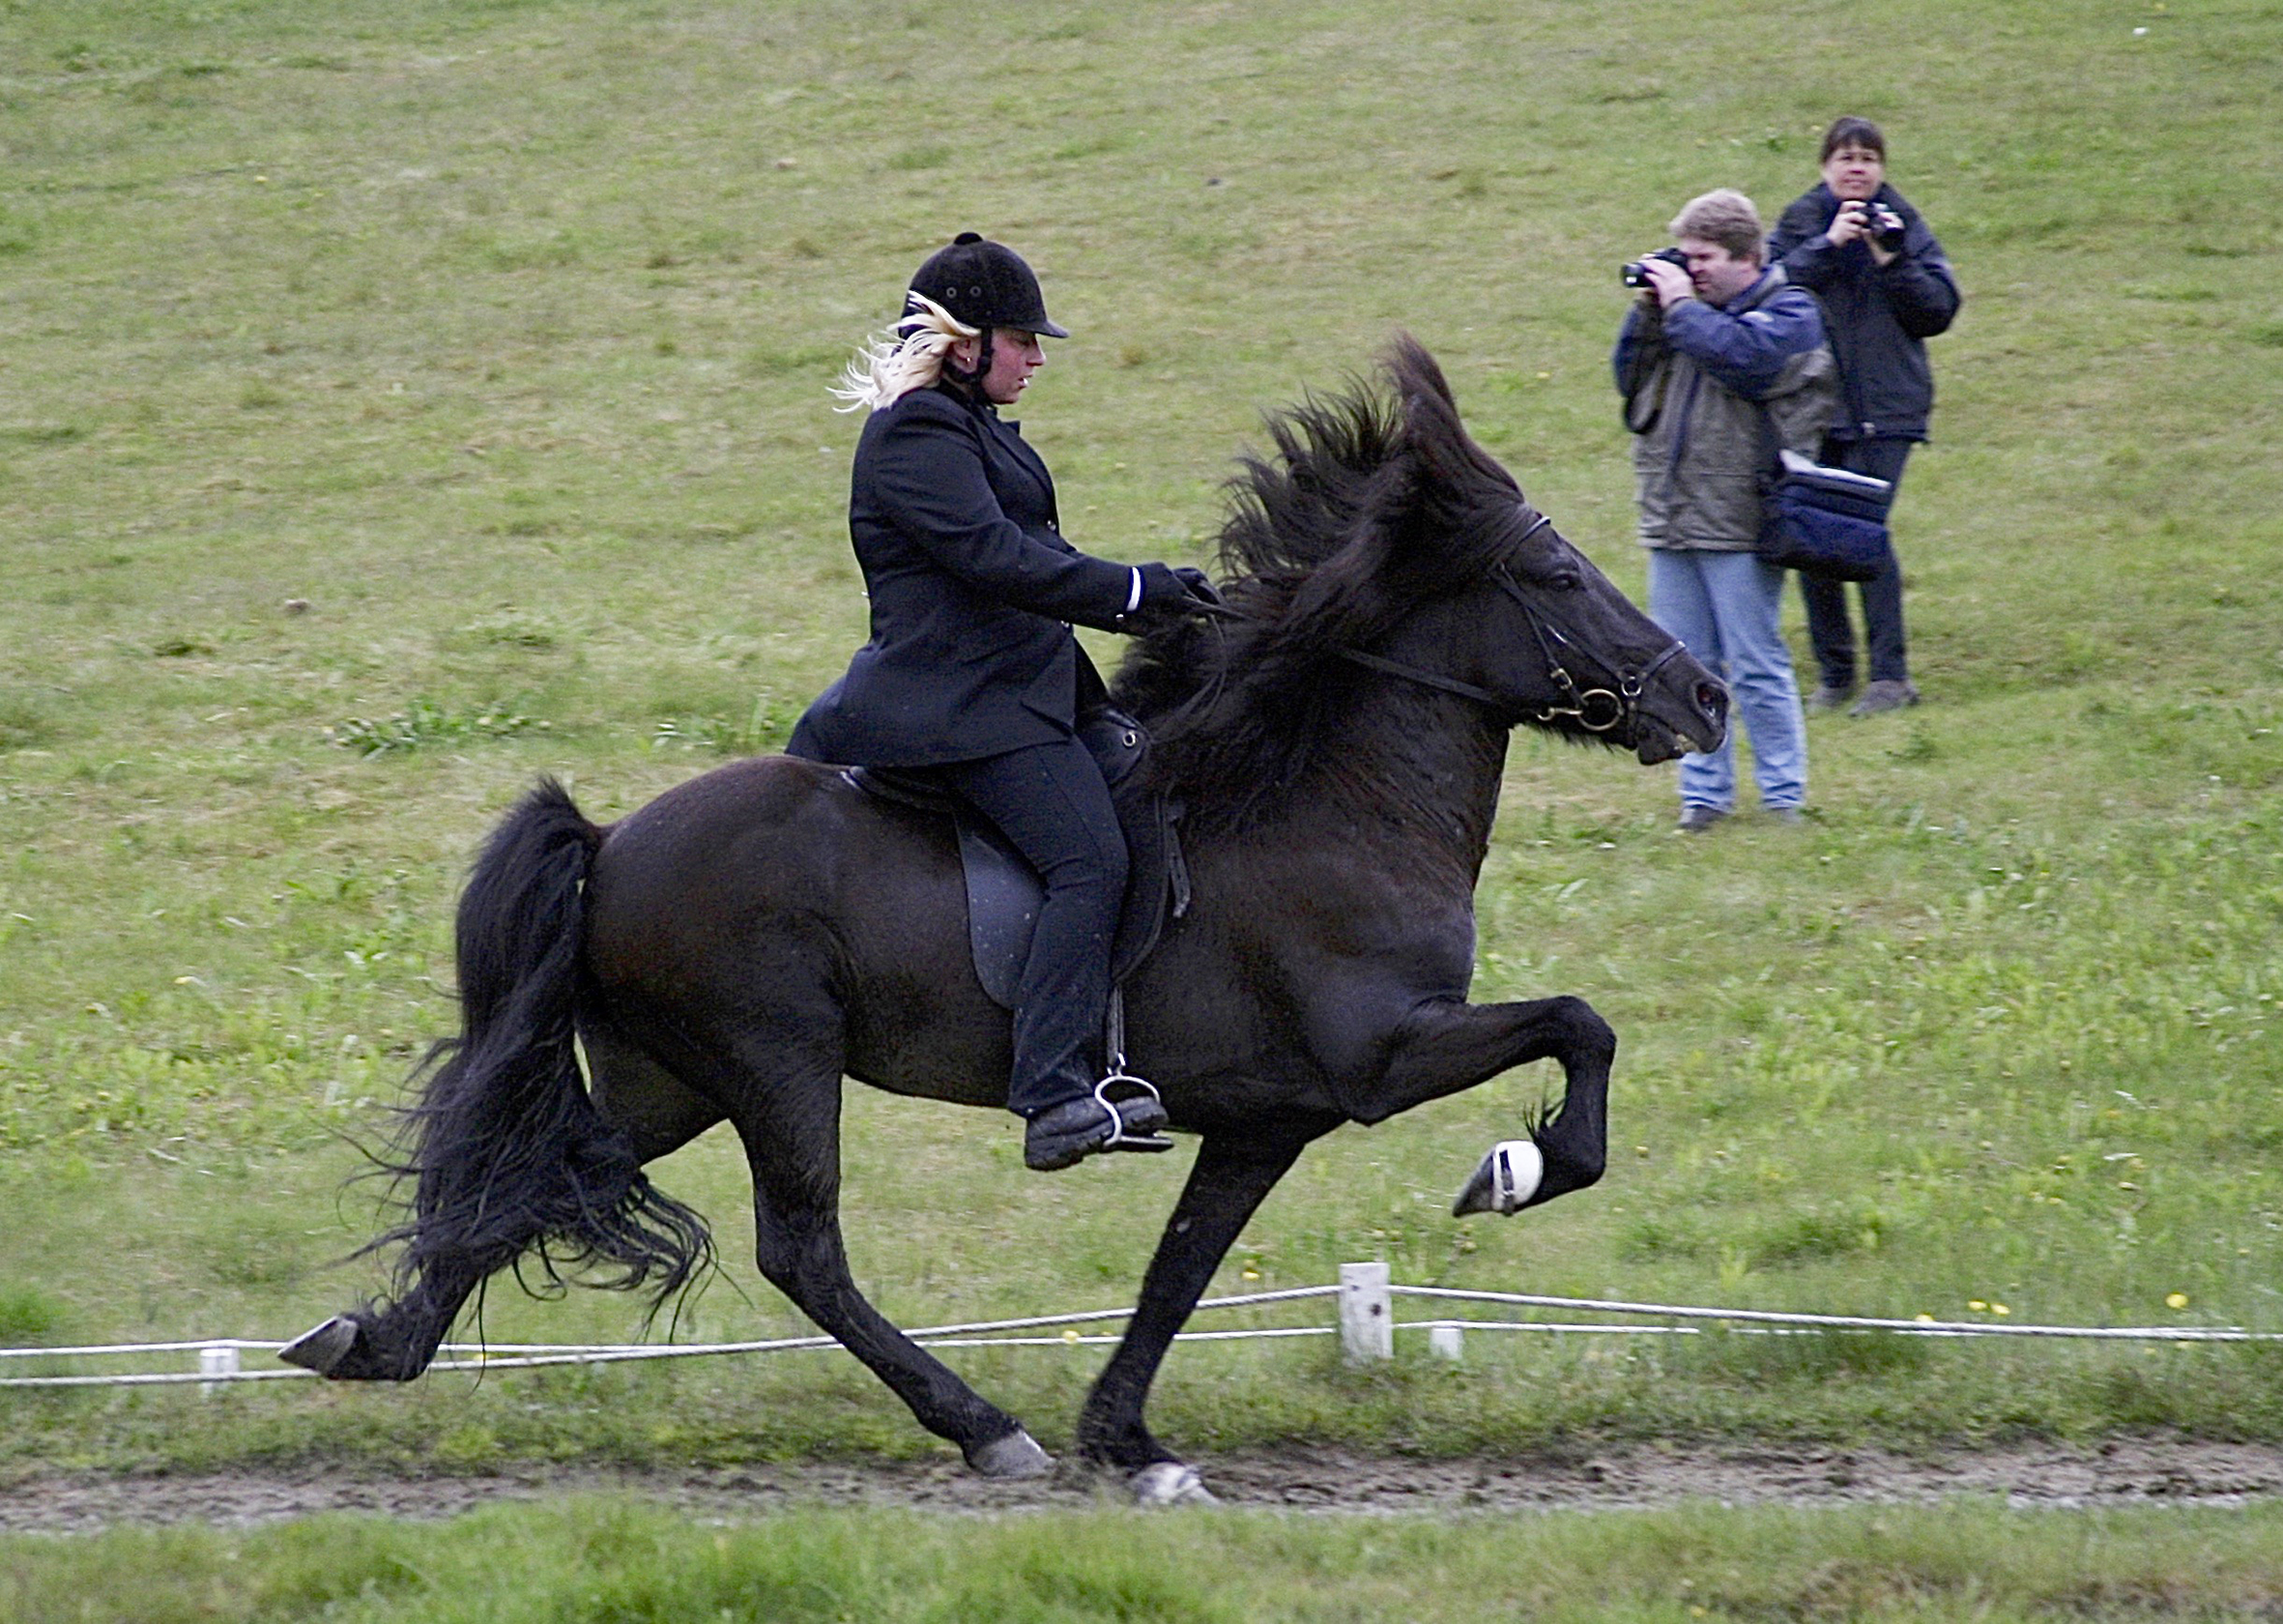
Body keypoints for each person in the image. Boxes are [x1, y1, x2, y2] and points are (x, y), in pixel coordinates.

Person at [787, 233, 1217, 1172]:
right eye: (1021, 338)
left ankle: (1125, 1052)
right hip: (958, 706)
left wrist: (1158, 599)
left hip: (1027, 690)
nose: (1036, 356)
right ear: (963, 341)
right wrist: (1134, 594)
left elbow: (1044, 561)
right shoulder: (914, 435)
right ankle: (1053, 1094)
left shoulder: (970, 427)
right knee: (1086, 860)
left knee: (1151, 792)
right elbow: (998, 560)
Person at [1614, 188, 1837, 832]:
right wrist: (1651, 313)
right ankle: (1703, 799)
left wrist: (1682, 306)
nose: (1694, 270)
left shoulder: (1790, 312)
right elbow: (1626, 379)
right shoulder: (1684, 316)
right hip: (1674, 513)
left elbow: (1747, 361)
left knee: (1758, 662)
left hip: (1744, 518)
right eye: (1685, 259)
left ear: (1750, 256)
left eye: (1705, 257)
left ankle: (1783, 797)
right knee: (1686, 666)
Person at [1768, 116, 1962, 717]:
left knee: (1867, 534)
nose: (1858, 168)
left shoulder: (1902, 225)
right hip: (1816, 408)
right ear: (1825, 166)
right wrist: (1828, 244)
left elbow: (1937, 310)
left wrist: (1889, 256)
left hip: (1888, 407)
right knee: (1812, 536)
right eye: (1846, 157)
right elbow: (1772, 286)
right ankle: (1835, 674)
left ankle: (1891, 677)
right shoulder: (1802, 220)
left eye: (1869, 159)